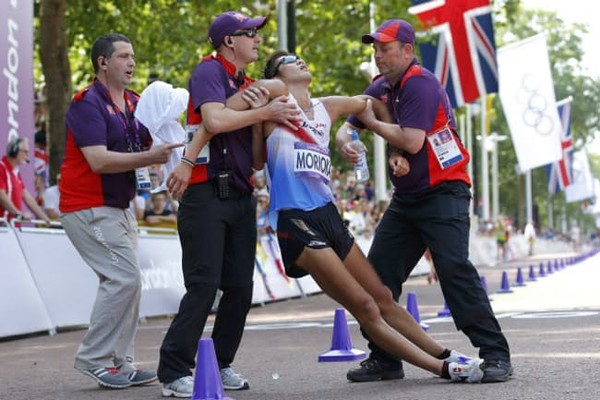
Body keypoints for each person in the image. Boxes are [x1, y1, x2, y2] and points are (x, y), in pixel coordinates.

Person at [255, 49, 483, 384]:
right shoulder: (274, 107)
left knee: (382, 298)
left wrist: (382, 146)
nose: (299, 60)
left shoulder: (325, 106)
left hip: (328, 216)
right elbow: (238, 103)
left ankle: (445, 354)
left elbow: (371, 105)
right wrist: (264, 99)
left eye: (299, 57)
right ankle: (443, 369)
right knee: (364, 305)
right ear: (277, 76)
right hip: (296, 221)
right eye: (288, 61)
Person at [335, 19, 512, 384]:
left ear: (407, 51)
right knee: (376, 278)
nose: (378, 55)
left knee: (453, 270)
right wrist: (347, 140)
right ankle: (385, 356)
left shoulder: (421, 83)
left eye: (385, 48)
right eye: (375, 49)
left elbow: (412, 141)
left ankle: (495, 354)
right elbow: (348, 124)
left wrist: (371, 123)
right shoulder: (381, 87)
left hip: (445, 192)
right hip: (408, 198)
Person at [157, 11, 301, 398]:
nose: (257, 39)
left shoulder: (249, 83)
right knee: (203, 285)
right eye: (249, 33)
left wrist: (261, 122)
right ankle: (173, 370)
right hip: (204, 195)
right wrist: (265, 112)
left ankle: (220, 365)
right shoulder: (208, 72)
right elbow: (214, 121)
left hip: (240, 194)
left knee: (240, 286)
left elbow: (254, 159)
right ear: (228, 41)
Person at [59, 33, 181, 390]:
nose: (132, 63)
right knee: (124, 278)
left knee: (129, 282)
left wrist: (159, 160)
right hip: (87, 206)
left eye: (133, 56)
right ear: (102, 62)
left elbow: (151, 142)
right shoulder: (86, 103)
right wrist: (149, 158)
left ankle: (120, 363)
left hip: (119, 206)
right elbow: (97, 160)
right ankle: (94, 359)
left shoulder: (135, 101)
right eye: (124, 56)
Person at [0, 136, 51, 224]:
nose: (27, 155)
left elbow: (27, 197)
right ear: (14, 151)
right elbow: (1, 196)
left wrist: (45, 219)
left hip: (11, 228)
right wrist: (18, 214)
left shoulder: (15, 172)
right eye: (25, 152)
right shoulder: (1, 167)